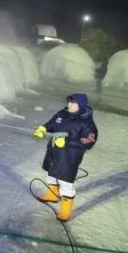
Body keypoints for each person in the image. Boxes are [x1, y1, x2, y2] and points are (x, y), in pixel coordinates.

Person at [33, 93, 98, 222]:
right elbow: (52, 123)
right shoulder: (63, 114)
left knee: (65, 182)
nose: (69, 105)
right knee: (51, 174)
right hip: (54, 150)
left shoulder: (87, 123)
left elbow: (88, 142)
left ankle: (66, 210)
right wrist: (43, 128)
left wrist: (67, 142)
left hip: (69, 157)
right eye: (69, 102)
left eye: (73, 103)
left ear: (80, 105)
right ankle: (52, 195)